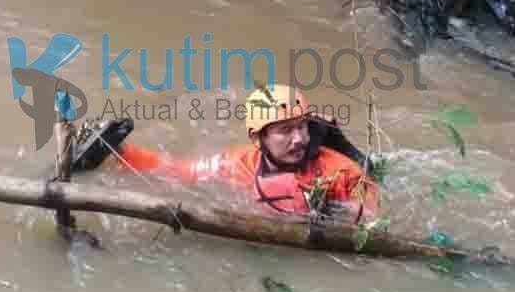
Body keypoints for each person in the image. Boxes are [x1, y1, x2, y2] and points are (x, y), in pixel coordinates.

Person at [70, 85, 379, 224]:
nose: (298, 138)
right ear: (258, 138)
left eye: (302, 127)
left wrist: (349, 214)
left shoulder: (340, 170)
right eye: (285, 130)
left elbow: (373, 215)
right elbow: (176, 171)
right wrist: (119, 152)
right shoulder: (237, 164)